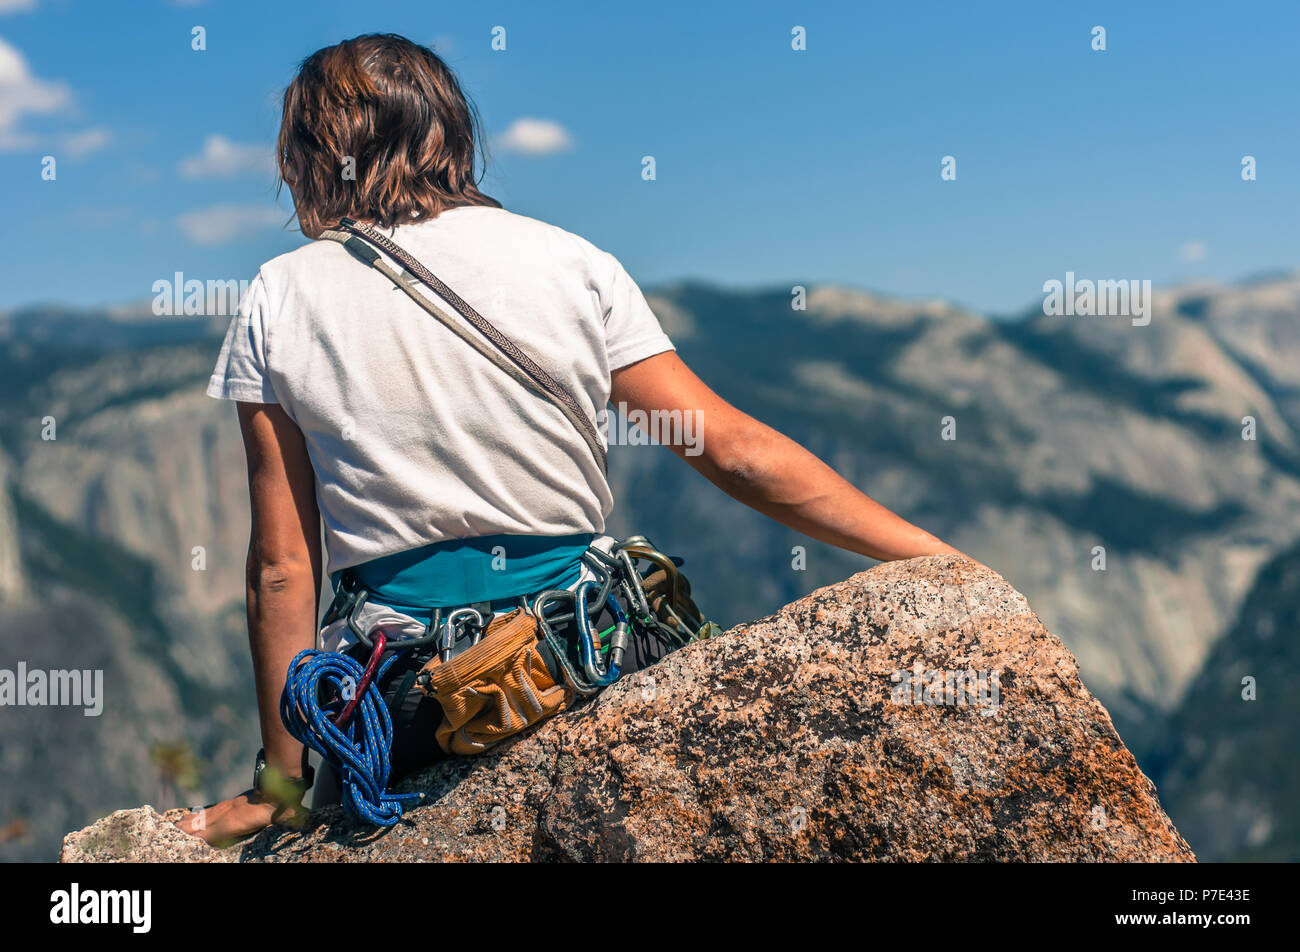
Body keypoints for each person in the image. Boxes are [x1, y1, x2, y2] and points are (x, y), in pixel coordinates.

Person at [176, 33, 962, 845]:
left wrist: (280, 783)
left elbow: (283, 568)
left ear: (311, 153)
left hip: (414, 705)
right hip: (586, 653)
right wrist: (936, 556)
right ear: (452, 131)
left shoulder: (281, 294)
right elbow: (733, 452)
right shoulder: (573, 262)